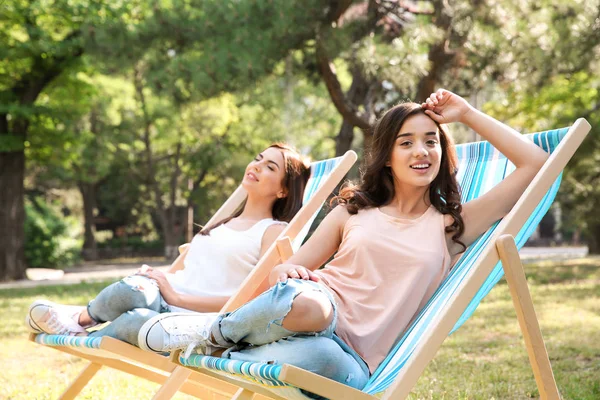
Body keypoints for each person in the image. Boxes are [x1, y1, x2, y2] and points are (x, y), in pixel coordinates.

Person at [137, 89, 549, 392]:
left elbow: (536, 163)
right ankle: (217, 333)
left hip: (348, 358)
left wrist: (467, 112)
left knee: (319, 360)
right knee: (310, 305)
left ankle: (217, 345)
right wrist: (287, 269)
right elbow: (286, 269)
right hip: (309, 308)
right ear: (387, 156)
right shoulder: (352, 211)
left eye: (431, 140)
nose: (421, 151)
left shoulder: (451, 226)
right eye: (406, 142)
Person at [26, 143, 311, 348]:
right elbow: (196, 271)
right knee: (133, 287)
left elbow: (254, 302)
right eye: (258, 159)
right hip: (168, 297)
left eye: (270, 167)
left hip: (197, 315)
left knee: (136, 319)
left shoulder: (273, 232)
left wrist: (177, 297)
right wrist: (158, 278)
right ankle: (79, 319)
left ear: (283, 189)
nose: (257, 166)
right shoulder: (224, 222)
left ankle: (78, 331)